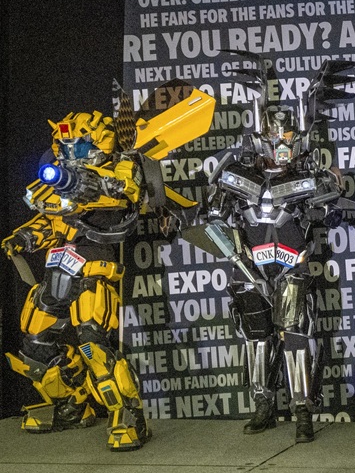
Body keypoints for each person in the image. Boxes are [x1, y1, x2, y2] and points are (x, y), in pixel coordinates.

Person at [3, 86, 214, 450]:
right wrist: (23, 238)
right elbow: (50, 220)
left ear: (100, 142)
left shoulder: (121, 169)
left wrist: (98, 184)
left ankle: (128, 415)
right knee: (33, 347)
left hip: (94, 272)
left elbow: (124, 192)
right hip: (57, 272)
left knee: (94, 345)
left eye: (80, 148)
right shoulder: (58, 182)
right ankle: (72, 406)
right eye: (66, 148)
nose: (71, 155)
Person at [194, 54, 355, 443]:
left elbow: (335, 212)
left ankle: (302, 409)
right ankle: (263, 402)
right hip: (248, 266)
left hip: (291, 264)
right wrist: (234, 251)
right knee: (256, 335)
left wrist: (330, 192)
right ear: (258, 135)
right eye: (274, 136)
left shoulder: (309, 176)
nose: (281, 144)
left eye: (287, 137)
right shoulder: (236, 175)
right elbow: (211, 220)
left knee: (295, 334)